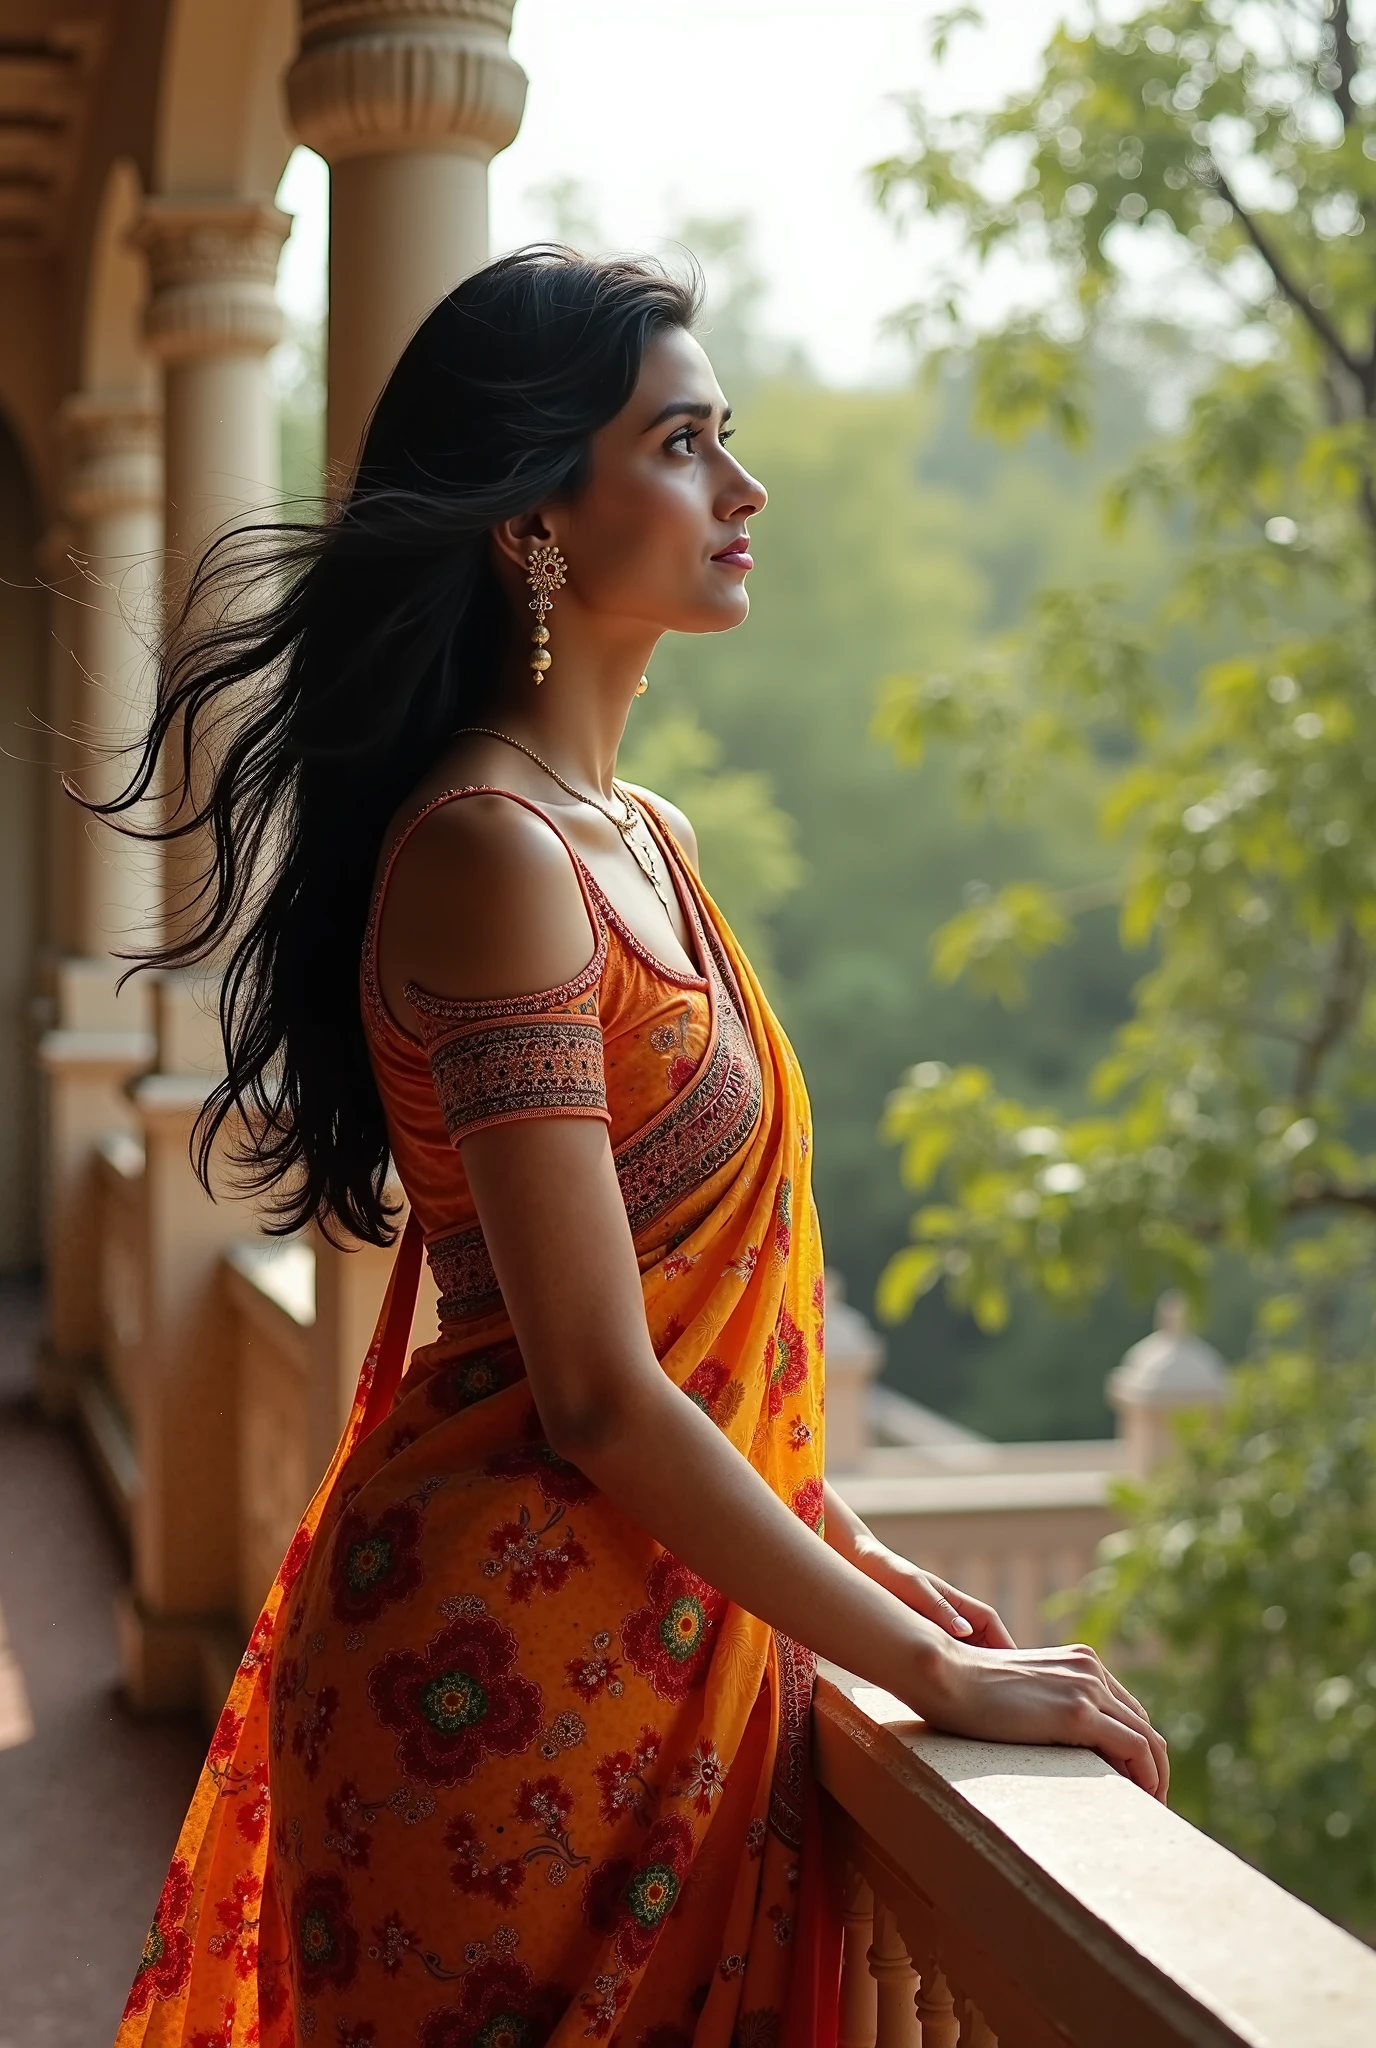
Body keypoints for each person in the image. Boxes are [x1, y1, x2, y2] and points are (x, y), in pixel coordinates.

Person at [104, 249, 1166, 2048]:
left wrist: (867, 1562)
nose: (743, 491)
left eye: (726, 439)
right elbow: (593, 1391)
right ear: (535, 519)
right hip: (502, 1696)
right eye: (682, 445)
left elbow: (683, 1347)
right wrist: (917, 1671)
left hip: (650, 1662)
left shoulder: (640, 836)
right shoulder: (492, 857)